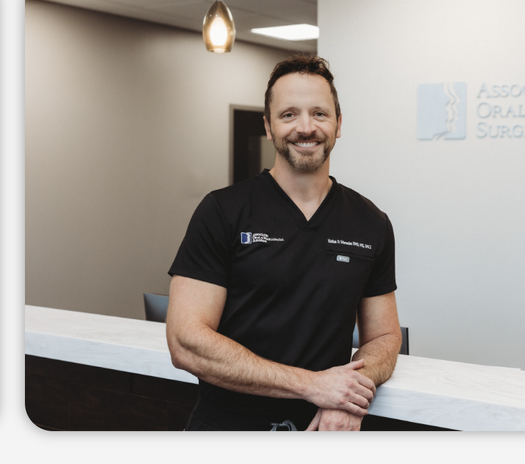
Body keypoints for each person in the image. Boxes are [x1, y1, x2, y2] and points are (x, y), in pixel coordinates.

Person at [165, 54, 401, 431]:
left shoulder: (371, 222)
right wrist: (314, 386)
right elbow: (185, 341)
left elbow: (385, 337)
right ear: (269, 126)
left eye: (320, 114)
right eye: (289, 114)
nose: (306, 127)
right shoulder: (222, 211)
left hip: (322, 432)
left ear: (339, 124)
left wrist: (350, 393)